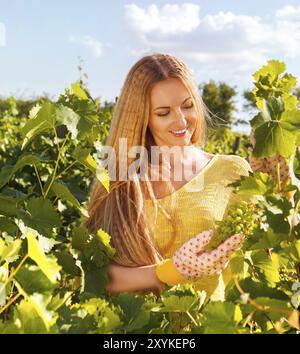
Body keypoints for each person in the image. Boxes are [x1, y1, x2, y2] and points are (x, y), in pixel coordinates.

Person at [83, 53, 287, 300]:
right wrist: (168, 272)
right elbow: (92, 276)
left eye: (188, 106)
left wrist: (281, 183)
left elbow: (272, 245)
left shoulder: (232, 171)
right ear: (142, 117)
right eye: (163, 112)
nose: (181, 120)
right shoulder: (120, 177)